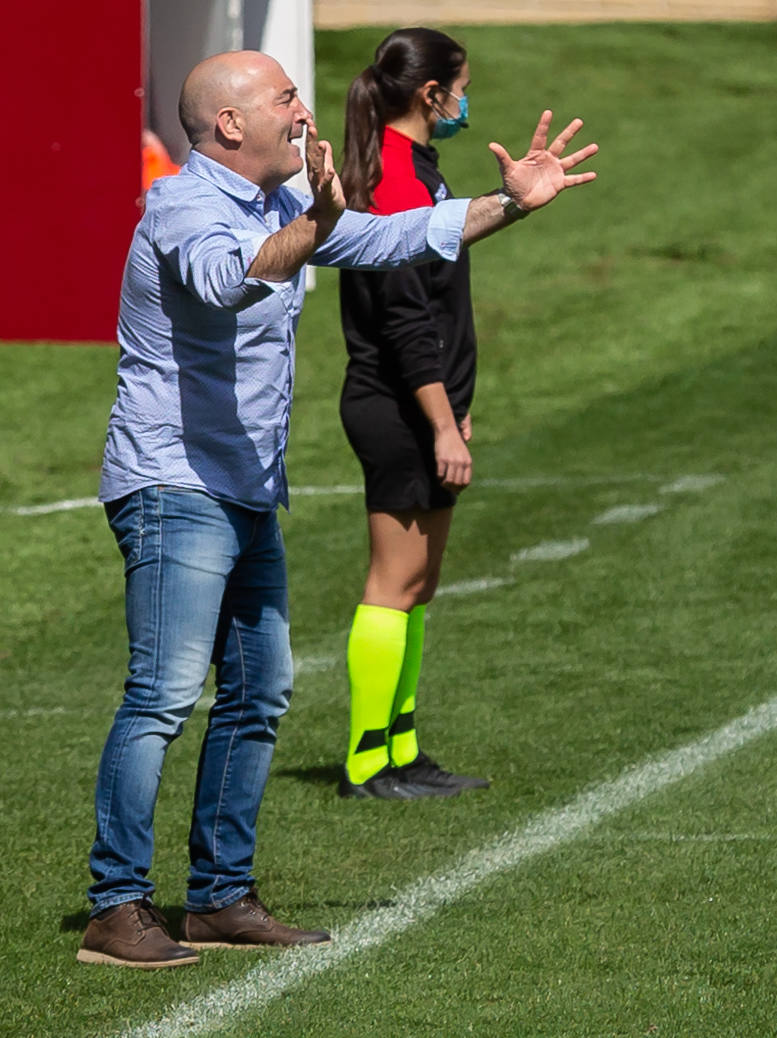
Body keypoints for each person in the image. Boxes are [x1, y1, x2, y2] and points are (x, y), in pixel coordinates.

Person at [77, 47, 597, 969]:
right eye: (284, 98)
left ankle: (218, 897)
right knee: (162, 694)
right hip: (173, 484)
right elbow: (229, 280)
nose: (303, 110)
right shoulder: (184, 205)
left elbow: (396, 237)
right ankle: (116, 907)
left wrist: (511, 202)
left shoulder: (285, 201)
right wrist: (318, 215)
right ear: (231, 125)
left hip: (243, 486)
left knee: (259, 690)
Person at [336, 28, 588, 800]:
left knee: (418, 586)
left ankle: (403, 752)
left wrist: (513, 203)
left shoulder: (417, 169)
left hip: (426, 403)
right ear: (430, 94)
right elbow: (407, 322)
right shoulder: (397, 180)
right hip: (398, 407)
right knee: (392, 581)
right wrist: (442, 423)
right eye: (462, 85)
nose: (466, 100)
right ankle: (366, 762)